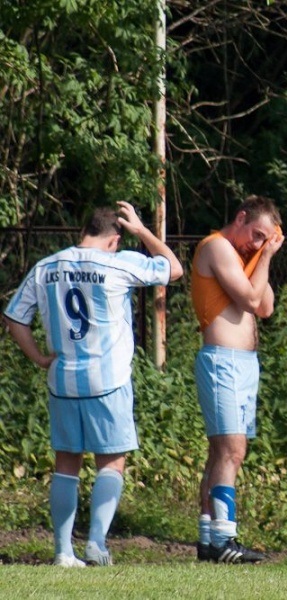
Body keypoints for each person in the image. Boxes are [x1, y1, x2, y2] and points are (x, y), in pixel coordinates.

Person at [3, 202, 183, 567]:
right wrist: (144, 232)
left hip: (63, 381)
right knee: (111, 463)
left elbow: (14, 319)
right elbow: (174, 269)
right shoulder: (118, 263)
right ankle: (96, 544)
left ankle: (62, 551)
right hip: (109, 380)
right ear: (115, 239)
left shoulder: (47, 266)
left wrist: (39, 358)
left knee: (66, 465)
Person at [191, 195, 284, 563]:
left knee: (221, 453)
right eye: (256, 234)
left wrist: (260, 256)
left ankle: (208, 539)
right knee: (232, 450)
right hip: (224, 362)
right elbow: (248, 299)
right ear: (240, 216)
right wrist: (267, 256)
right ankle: (224, 539)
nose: (257, 244)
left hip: (243, 364)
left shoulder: (246, 259)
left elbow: (266, 307)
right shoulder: (217, 247)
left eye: (266, 240)